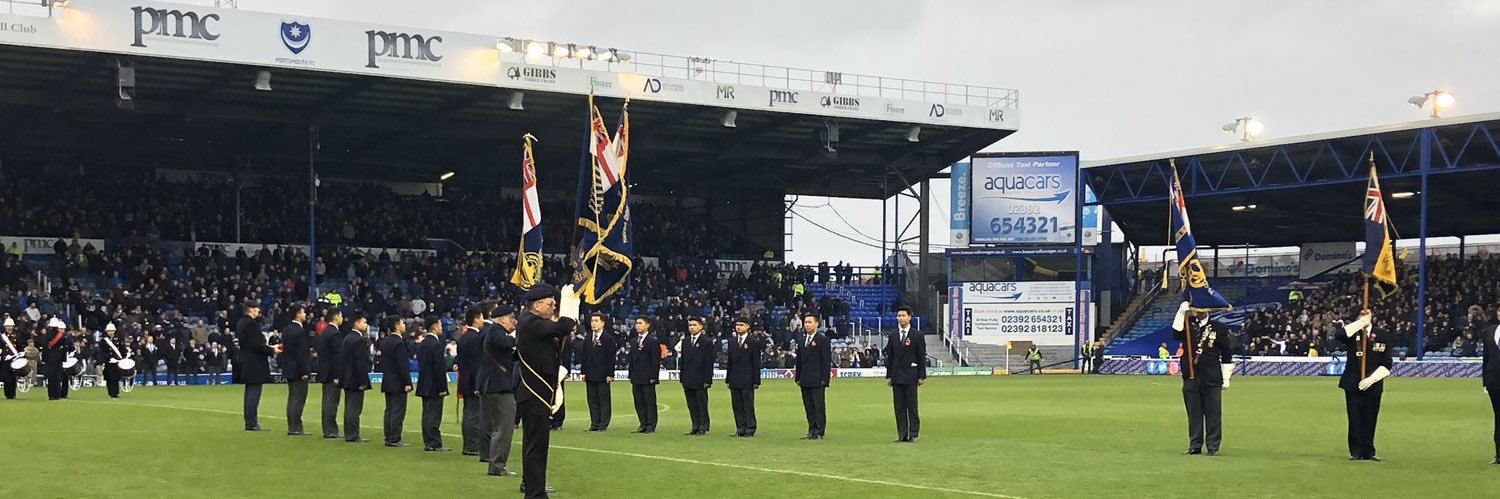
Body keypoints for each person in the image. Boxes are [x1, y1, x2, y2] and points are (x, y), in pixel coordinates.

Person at [515, 283, 576, 497]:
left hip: (536, 393)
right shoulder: (531, 322)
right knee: (536, 448)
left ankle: (535, 490)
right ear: (538, 305)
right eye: (551, 304)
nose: (553, 308)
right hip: (535, 393)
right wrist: (571, 304)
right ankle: (535, 493)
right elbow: (564, 326)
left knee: (536, 447)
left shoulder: (529, 320)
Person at [1171, 301, 1235, 456]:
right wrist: (1180, 312)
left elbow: (1226, 353)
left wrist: (1226, 377)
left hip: (1211, 377)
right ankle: (1195, 444)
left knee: (1213, 414)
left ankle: (1213, 446)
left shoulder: (1218, 328)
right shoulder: (1187, 324)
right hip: (1191, 376)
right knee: (1194, 413)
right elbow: (1175, 334)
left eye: (1200, 309)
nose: (1196, 312)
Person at [1338, 309, 1393, 461]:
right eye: (1361, 315)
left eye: (1366, 315)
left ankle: (1368, 451)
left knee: (1370, 417)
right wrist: (1359, 324)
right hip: (1352, 383)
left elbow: (1387, 362)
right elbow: (1338, 335)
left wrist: (1372, 379)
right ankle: (1356, 451)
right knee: (1354, 417)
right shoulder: (1352, 334)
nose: (1364, 317)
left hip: (1373, 384)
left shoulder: (1383, 335)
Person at [479, 303, 520, 476]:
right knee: (504, 427)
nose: (514, 322)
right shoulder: (496, 332)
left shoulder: (493, 332)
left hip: (493, 385)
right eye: (511, 318)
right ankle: (497, 465)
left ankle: (494, 463)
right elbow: (504, 342)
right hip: (499, 385)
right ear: (502, 318)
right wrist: (519, 339)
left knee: (497, 426)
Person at [883, 306, 926, 443]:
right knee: (899, 407)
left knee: (912, 406)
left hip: (911, 375)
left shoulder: (917, 335)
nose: (901, 318)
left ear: (909, 317)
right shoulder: (893, 335)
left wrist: (921, 376)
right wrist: (889, 375)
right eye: (899, 316)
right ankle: (902, 433)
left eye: (903, 315)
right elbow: (890, 357)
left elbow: (921, 357)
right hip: (896, 375)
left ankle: (913, 433)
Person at [236, 301, 280, 431]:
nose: (258, 311)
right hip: (254, 362)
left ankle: (249, 421)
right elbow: (257, 344)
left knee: (250, 392)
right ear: (251, 309)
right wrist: (272, 350)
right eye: (256, 309)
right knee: (254, 392)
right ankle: (252, 422)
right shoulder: (251, 324)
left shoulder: (241, 323)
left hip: (247, 360)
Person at [725, 316, 764, 437]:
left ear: (747, 326)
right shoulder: (732, 342)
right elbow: (730, 362)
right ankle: (740, 428)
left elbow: (756, 363)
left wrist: (756, 381)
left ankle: (750, 428)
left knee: (748, 405)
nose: (738, 327)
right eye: (737, 325)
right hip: (735, 378)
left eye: (741, 325)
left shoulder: (753, 342)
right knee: (737, 405)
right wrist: (728, 379)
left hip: (748, 378)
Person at [376, 315, 413, 447]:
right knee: (397, 410)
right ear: (397, 326)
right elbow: (402, 365)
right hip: (398, 382)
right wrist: (407, 382)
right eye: (402, 323)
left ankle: (388, 436)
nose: (404, 325)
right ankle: (395, 438)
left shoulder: (386, 342)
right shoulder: (399, 343)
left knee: (389, 410)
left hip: (388, 380)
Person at [416, 318, 451, 452]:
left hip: (424, 383)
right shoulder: (436, 344)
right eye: (440, 325)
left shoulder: (423, 343)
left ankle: (428, 441)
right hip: (434, 385)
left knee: (426, 414)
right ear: (435, 327)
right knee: (434, 415)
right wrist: (442, 387)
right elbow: (438, 368)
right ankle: (434, 442)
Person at [794, 313, 831, 440]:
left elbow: (826, 361)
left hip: (817, 379)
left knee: (818, 406)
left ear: (816, 324)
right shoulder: (801, 340)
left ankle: (819, 431)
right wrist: (797, 377)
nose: (807, 325)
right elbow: (799, 361)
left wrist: (825, 379)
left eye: (810, 322)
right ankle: (811, 430)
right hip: (804, 378)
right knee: (808, 406)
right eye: (805, 322)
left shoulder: (823, 340)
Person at [455, 308, 486, 456]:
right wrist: (478, 384)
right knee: (474, 414)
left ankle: (469, 444)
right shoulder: (476, 338)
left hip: (465, 380)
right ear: (475, 319)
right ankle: (472, 446)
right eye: (481, 318)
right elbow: (477, 364)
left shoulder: (464, 337)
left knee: (468, 413)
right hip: (474, 381)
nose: (483, 321)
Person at [338, 313, 373, 443]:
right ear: (356, 323)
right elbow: (360, 363)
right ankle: (353, 434)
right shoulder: (358, 340)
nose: (365, 325)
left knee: (349, 407)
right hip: (355, 379)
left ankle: (349, 433)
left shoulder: (347, 338)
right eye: (364, 322)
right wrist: (363, 381)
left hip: (347, 377)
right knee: (354, 408)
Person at [678, 316, 715, 436]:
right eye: (690, 325)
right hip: (688, 377)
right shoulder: (686, 341)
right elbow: (683, 361)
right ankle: (695, 425)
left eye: (694, 325)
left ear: (701, 326)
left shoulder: (706, 342)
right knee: (691, 404)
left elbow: (709, 362)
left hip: (700, 378)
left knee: (701, 403)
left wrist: (707, 380)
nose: (692, 327)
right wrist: (682, 376)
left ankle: (703, 426)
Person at [581, 313, 617, 432]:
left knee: (603, 400)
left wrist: (610, 374)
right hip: (590, 374)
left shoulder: (608, 339)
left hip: (602, 375)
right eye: (592, 321)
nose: (593, 323)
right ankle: (594, 423)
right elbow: (584, 356)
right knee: (592, 400)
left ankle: (603, 423)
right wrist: (583, 372)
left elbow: (611, 358)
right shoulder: (588, 337)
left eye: (596, 321)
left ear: (602, 323)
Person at [281, 304, 312, 436]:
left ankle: (292, 426)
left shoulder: (287, 329)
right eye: (303, 312)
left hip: (289, 368)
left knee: (292, 397)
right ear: (298, 314)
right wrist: (305, 371)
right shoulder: (299, 331)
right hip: (298, 370)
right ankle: (296, 427)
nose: (305, 315)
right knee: (298, 398)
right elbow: (302, 354)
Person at [315, 309, 347, 439]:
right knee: (331, 402)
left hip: (324, 371)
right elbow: (337, 358)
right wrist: (337, 376)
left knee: (327, 401)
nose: (342, 318)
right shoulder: (335, 334)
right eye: (341, 315)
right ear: (336, 317)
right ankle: (330, 430)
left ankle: (328, 429)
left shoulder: (325, 332)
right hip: (331, 374)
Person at [628, 316, 661, 434]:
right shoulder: (633, 341)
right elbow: (631, 360)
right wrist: (630, 374)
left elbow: (655, 361)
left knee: (649, 402)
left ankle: (651, 425)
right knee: (639, 402)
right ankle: (643, 423)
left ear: (647, 325)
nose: (637, 325)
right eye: (636, 323)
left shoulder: (652, 341)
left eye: (640, 323)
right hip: (636, 376)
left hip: (647, 377)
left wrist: (654, 377)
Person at [1483, 307, 1500, 464]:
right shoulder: (1488, 332)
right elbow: (1486, 358)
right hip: (1494, 382)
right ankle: (1499, 455)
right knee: (1498, 418)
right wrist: (1485, 383)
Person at [98, 323, 125, 398]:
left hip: (117, 362)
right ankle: (111, 393)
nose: (111, 332)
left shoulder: (118, 339)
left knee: (116, 378)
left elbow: (122, 349)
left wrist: (123, 356)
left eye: (112, 331)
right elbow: (102, 352)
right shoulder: (104, 341)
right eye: (109, 331)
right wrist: (108, 358)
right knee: (109, 378)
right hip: (108, 362)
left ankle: (116, 393)